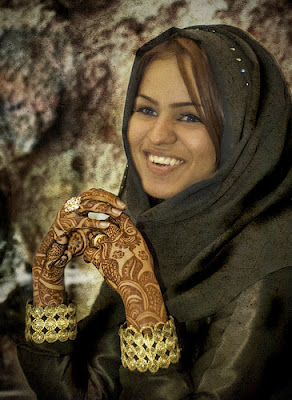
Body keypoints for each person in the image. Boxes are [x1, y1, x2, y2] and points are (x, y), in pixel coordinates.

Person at [17, 24, 291, 399]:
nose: (157, 136)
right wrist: (48, 279)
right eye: (146, 109)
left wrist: (144, 302)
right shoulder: (158, 229)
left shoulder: (272, 263)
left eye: (190, 116)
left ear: (241, 135)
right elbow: (83, 392)